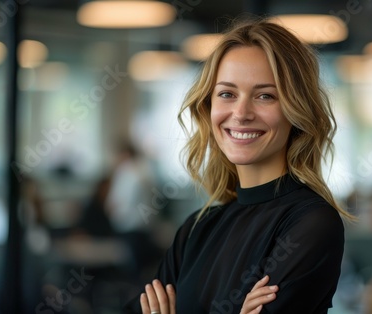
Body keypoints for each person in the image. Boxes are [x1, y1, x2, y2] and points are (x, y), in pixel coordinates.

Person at [123, 17, 355, 314]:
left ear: (295, 110)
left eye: (265, 96)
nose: (241, 113)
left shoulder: (312, 224)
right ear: (208, 106)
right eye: (227, 94)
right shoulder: (197, 229)